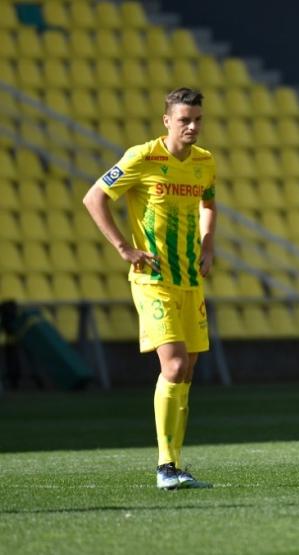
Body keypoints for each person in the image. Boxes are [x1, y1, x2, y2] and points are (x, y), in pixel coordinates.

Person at [83, 88, 217, 490]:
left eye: (197, 120)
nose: (192, 127)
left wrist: (208, 244)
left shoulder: (204, 162)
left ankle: (174, 464)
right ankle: (165, 466)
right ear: (167, 121)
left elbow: (208, 203)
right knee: (173, 365)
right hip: (154, 279)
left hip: (190, 281)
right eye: (184, 120)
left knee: (187, 369)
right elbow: (94, 198)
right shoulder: (142, 157)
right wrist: (123, 247)